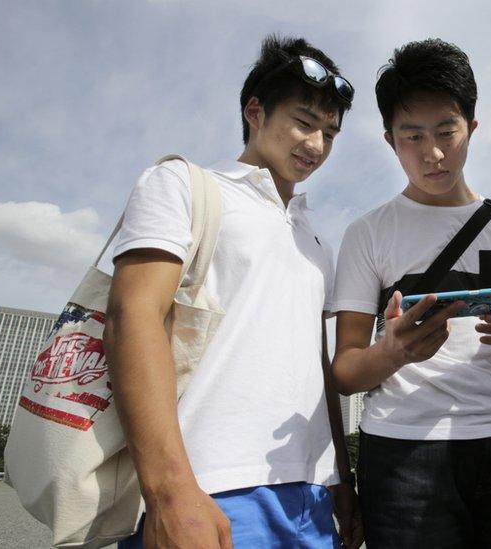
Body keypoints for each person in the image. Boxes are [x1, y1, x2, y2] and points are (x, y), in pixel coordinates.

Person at [105, 35, 363, 548]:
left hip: (312, 495)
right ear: (254, 110)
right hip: (207, 486)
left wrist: (342, 479)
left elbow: (318, 365)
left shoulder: (315, 239)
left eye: (330, 133)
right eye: (304, 122)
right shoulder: (183, 183)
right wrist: (170, 493)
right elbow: (131, 317)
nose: (316, 145)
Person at [331, 38, 491, 548]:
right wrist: (391, 351)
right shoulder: (368, 233)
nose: (432, 153)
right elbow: (345, 371)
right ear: (390, 139)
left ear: (472, 128)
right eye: (412, 136)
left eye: (446, 132)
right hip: (402, 451)